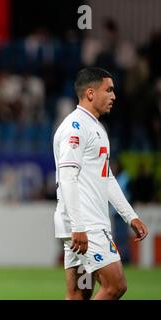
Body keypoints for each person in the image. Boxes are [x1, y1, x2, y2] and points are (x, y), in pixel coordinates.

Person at [53, 67, 148, 300]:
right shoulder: (75, 127)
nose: (114, 96)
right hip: (86, 224)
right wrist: (79, 226)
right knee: (115, 285)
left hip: (85, 223)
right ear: (90, 93)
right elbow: (67, 176)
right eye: (109, 90)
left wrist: (129, 215)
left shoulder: (97, 128)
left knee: (79, 294)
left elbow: (106, 177)